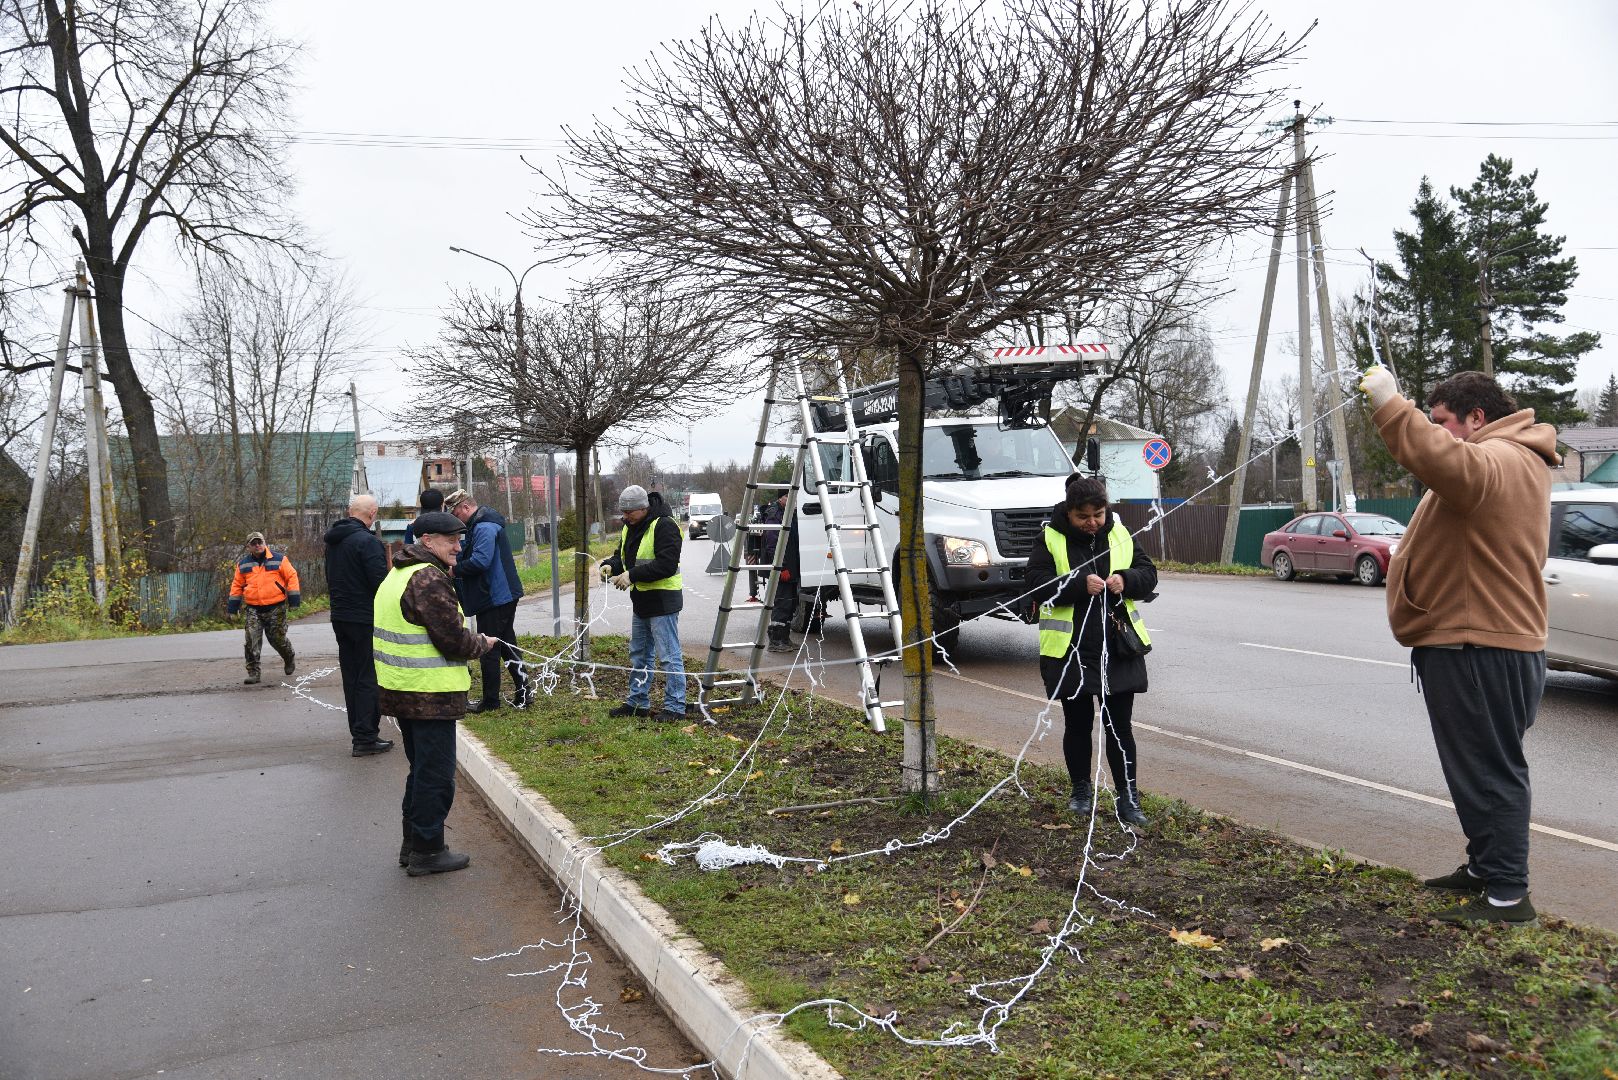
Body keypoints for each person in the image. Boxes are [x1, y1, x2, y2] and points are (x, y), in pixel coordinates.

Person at [1360, 366, 1559, 926]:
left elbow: (1448, 462)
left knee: (1490, 771)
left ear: (1477, 418)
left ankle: (1507, 896)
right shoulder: (1507, 460)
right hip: (1476, 642)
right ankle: (1483, 867)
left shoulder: (1501, 459)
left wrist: (1391, 406)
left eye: (1441, 421)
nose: (1436, 431)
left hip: (1480, 645)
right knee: (1474, 767)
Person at [1025, 476, 1157, 826]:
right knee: (1078, 724)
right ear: (1069, 513)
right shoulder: (1049, 537)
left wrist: (1127, 579)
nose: (1092, 522)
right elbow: (1036, 584)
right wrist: (1078, 585)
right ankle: (1081, 791)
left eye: (1098, 514)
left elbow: (1148, 574)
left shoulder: (1119, 533)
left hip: (1118, 648)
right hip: (1071, 650)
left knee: (1119, 727)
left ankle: (1127, 797)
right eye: (1084, 516)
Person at [373, 510, 498, 876]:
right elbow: (453, 640)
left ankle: (413, 845)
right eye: (451, 541)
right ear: (427, 540)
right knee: (437, 776)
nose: (459, 547)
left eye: (461, 540)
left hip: (402, 692)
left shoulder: (398, 573)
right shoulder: (428, 579)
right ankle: (428, 852)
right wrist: (483, 643)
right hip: (429, 696)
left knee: (421, 770)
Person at [598, 485, 687, 720]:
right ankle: (638, 702)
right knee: (639, 654)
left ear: (643, 508)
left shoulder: (665, 526)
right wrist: (611, 565)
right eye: (623, 512)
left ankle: (675, 707)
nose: (625, 517)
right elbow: (623, 557)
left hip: (663, 601)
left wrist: (631, 575)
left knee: (668, 656)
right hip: (642, 601)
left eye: (629, 513)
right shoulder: (630, 526)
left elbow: (666, 565)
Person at [443, 488, 530, 711]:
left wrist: (455, 571)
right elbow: (470, 554)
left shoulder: (483, 527)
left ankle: (491, 701)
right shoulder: (479, 524)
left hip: (495, 596)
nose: (455, 519)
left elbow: (481, 561)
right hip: (499, 595)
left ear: (465, 507)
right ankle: (524, 693)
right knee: (507, 645)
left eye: (455, 514)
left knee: (488, 647)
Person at [323, 493, 393, 757]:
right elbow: (380, 584)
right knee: (367, 677)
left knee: (351, 677)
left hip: (340, 616)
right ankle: (365, 737)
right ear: (372, 513)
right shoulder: (367, 542)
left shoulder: (333, 542)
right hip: (364, 618)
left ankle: (359, 732)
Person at [227, 530, 300, 685]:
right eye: (254, 543)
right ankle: (253, 672)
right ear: (248, 547)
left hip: (276, 607)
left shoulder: (280, 559)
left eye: (260, 542)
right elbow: (236, 586)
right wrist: (233, 608)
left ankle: (289, 657)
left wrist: (294, 599)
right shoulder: (243, 564)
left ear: (265, 543)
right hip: (253, 608)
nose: (257, 545)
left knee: (277, 639)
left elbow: (292, 577)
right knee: (251, 640)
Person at [763, 492, 800, 653]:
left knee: (790, 604)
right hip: (782, 568)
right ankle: (775, 641)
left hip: (792, 567)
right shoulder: (775, 514)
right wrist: (781, 567)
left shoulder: (791, 513)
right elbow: (773, 543)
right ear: (781, 498)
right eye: (788, 497)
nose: (791, 500)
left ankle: (784, 638)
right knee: (782, 603)